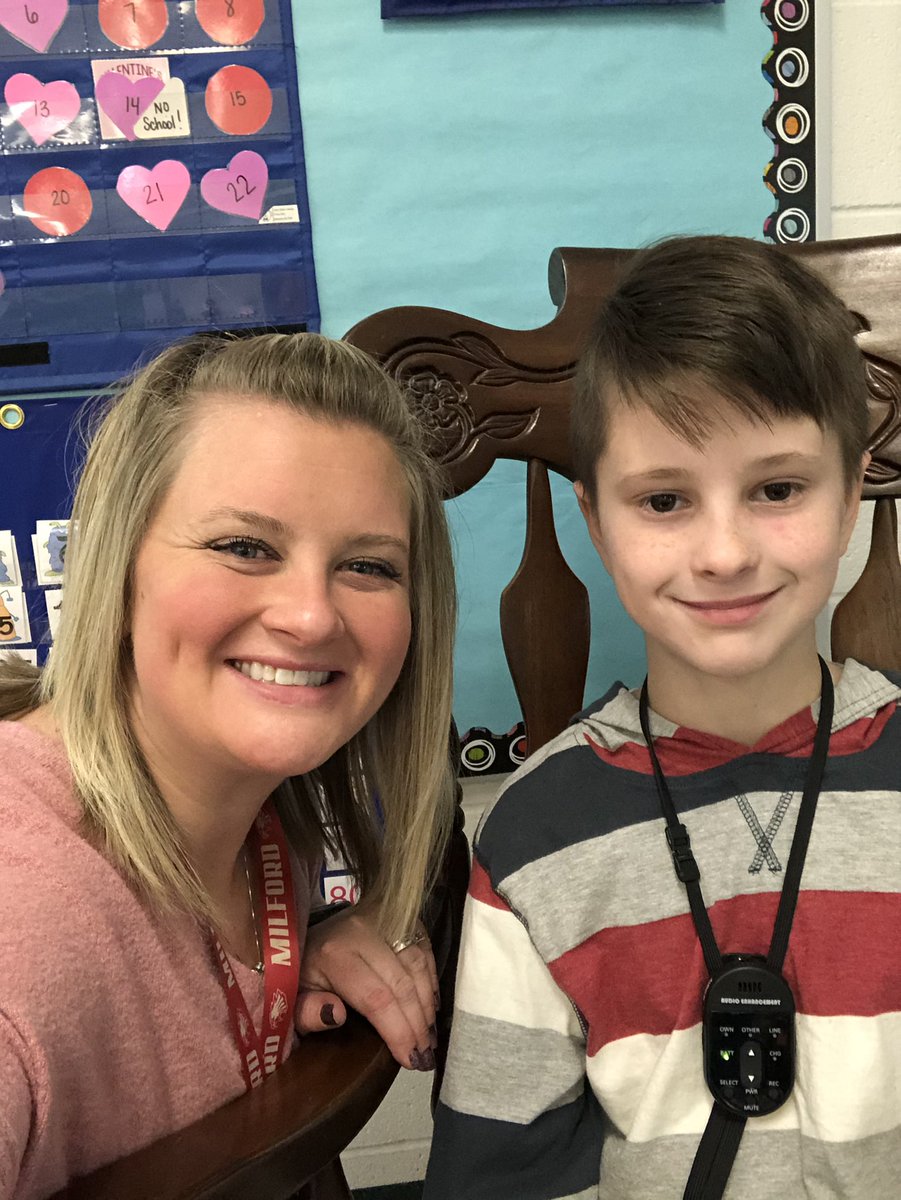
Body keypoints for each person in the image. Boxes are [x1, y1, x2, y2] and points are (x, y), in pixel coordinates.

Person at [424, 236, 901, 1199]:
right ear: (596, 522)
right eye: (664, 500)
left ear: (850, 498)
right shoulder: (536, 834)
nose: (723, 553)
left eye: (776, 489)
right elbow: (501, 1173)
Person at [0, 332, 457, 1199]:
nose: (311, 616)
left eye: (367, 565)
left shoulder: (256, 833)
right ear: (117, 564)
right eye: (244, 547)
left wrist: (315, 947)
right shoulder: (22, 912)